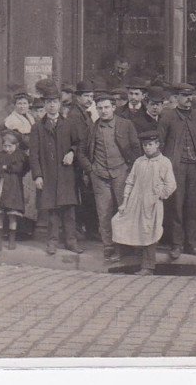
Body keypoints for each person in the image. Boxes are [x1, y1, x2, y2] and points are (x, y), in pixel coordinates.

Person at [80, 92, 142, 263]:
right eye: (100, 108)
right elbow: (82, 152)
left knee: (125, 210)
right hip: (99, 175)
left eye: (107, 107)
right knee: (104, 212)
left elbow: (136, 148)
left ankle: (128, 246)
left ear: (114, 108)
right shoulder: (92, 127)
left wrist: (131, 169)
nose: (103, 111)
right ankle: (108, 246)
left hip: (121, 173)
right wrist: (90, 169)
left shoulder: (125, 125)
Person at [111, 130, 177, 276]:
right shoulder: (139, 161)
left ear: (157, 144)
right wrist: (125, 202)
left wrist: (160, 194)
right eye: (145, 145)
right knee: (119, 222)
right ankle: (125, 255)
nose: (147, 147)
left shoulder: (164, 162)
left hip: (152, 203)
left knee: (149, 231)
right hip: (135, 201)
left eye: (150, 144)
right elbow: (130, 181)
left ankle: (148, 266)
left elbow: (171, 184)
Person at [28, 85, 83, 256]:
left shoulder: (69, 124)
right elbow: (34, 154)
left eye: (55, 102)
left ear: (60, 104)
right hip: (49, 174)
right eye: (48, 102)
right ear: (44, 105)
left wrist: (72, 153)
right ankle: (52, 241)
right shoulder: (37, 127)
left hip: (66, 174)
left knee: (69, 210)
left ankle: (71, 241)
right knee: (51, 211)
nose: (52, 105)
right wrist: (37, 175)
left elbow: (79, 143)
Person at [158, 83, 196, 259]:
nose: (188, 99)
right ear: (176, 98)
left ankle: (191, 244)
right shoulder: (168, 116)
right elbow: (160, 142)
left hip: (195, 167)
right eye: (184, 96)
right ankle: (176, 244)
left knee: (194, 207)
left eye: (190, 95)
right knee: (176, 206)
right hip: (175, 167)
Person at [0, 130, 30, 252]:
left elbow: (22, 168)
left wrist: (8, 168)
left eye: (10, 146)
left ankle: (12, 240)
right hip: (0, 187)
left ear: (16, 145)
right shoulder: (0, 155)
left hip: (14, 188)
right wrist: (0, 170)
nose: (7, 149)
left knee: (12, 215)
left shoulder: (20, 156)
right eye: (5, 146)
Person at [67, 80, 99, 240]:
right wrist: (87, 167)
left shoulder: (84, 113)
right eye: (86, 96)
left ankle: (86, 230)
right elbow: (79, 143)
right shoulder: (75, 115)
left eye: (92, 96)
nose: (90, 100)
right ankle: (79, 231)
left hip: (84, 161)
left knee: (84, 197)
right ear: (78, 97)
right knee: (79, 197)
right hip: (78, 164)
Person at [3, 91, 38, 229]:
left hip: (29, 156)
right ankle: (14, 228)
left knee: (29, 191)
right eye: (19, 103)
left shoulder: (30, 117)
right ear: (15, 105)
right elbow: (15, 140)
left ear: (29, 105)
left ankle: (27, 226)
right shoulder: (11, 120)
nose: (22, 106)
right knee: (17, 191)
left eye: (25, 103)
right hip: (18, 157)